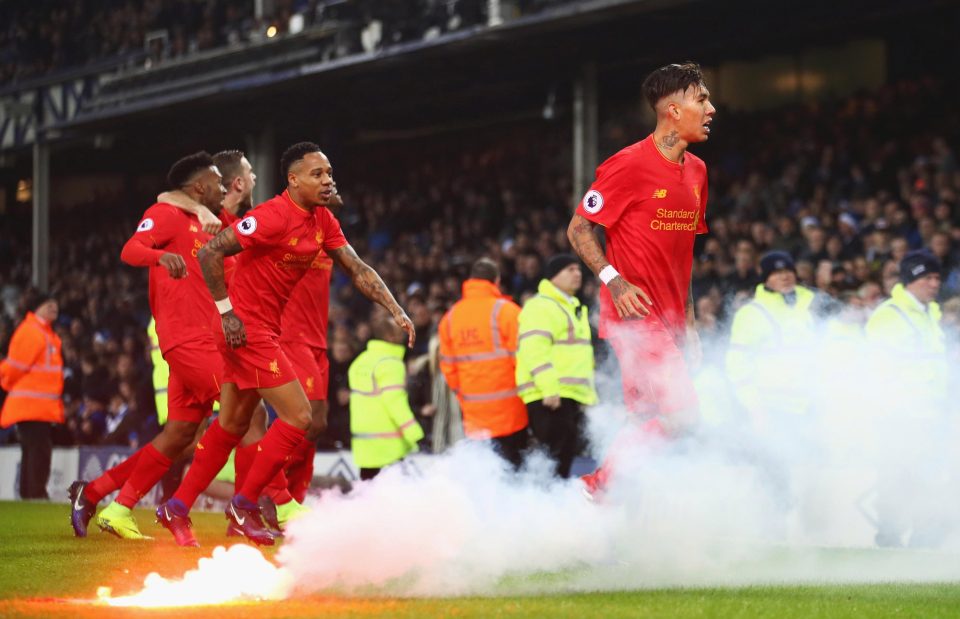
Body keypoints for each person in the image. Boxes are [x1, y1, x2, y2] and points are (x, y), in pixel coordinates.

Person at [155, 142, 414, 547]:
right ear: (293, 180)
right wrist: (227, 313)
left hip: (262, 329)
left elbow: (358, 267)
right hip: (246, 329)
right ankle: (244, 505)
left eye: (329, 173)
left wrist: (395, 308)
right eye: (317, 174)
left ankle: (177, 505)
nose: (327, 180)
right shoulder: (271, 216)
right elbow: (209, 252)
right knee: (300, 416)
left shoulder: (323, 220)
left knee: (233, 425)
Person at [566, 62, 715, 498]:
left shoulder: (699, 172)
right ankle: (597, 487)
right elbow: (578, 229)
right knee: (682, 416)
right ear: (672, 109)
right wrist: (614, 279)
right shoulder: (627, 164)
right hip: (632, 316)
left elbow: (682, 255)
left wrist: (687, 324)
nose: (711, 108)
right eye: (701, 99)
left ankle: (605, 506)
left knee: (646, 419)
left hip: (669, 319)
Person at [68, 152, 231, 539]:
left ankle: (101, 498)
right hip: (185, 339)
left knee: (177, 436)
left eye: (229, 182)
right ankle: (258, 505)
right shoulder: (170, 215)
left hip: (210, 339)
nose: (225, 188)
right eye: (219, 182)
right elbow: (131, 249)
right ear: (200, 187)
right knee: (246, 404)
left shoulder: (221, 221)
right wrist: (161, 256)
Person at [865, 249, 950, 548]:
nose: (935, 283)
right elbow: (878, 370)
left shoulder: (931, 314)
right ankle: (890, 538)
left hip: (932, 413)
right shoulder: (890, 315)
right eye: (928, 277)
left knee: (931, 479)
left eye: (938, 277)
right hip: (900, 416)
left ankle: (923, 540)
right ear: (912, 278)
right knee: (897, 479)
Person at [438, 258, 528, 469]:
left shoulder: (450, 318)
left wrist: (464, 394)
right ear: (495, 281)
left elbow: (448, 368)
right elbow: (524, 359)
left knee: (486, 476)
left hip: (474, 414)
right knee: (515, 476)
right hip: (511, 412)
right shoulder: (508, 311)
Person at [515, 254, 597, 478]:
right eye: (569, 269)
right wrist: (549, 389)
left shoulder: (573, 307)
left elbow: (581, 355)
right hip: (549, 396)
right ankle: (546, 508)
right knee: (553, 463)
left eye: (578, 269)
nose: (577, 273)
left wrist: (589, 396)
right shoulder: (540, 306)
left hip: (569, 395)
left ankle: (556, 507)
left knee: (562, 461)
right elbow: (534, 350)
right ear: (553, 277)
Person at [726, 251, 817, 431]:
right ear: (766, 278)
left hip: (811, 406)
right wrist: (755, 409)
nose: (784, 276)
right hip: (773, 408)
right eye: (776, 273)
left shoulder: (812, 304)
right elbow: (737, 364)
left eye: (788, 270)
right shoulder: (751, 313)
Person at [0, 295, 64, 499]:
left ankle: (30, 494)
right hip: (31, 406)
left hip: (38, 407)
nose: (55, 306)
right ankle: (35, 494)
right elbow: (14, 367)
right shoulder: (33, 332)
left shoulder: (43, 333)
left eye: (55, 303)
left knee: (33, 450)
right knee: (39, 451)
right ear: (37, 308)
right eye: (49, 304)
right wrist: (7, 382)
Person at [349, 310, 425, 480]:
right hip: (389, 448)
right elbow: (395, 403)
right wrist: (416, 435)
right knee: (394, 501)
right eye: (399, 330)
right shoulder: (390, 364)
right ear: (390, 337)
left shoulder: (360, 361)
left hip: (364, 449)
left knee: (368, 499)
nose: (403, 332)